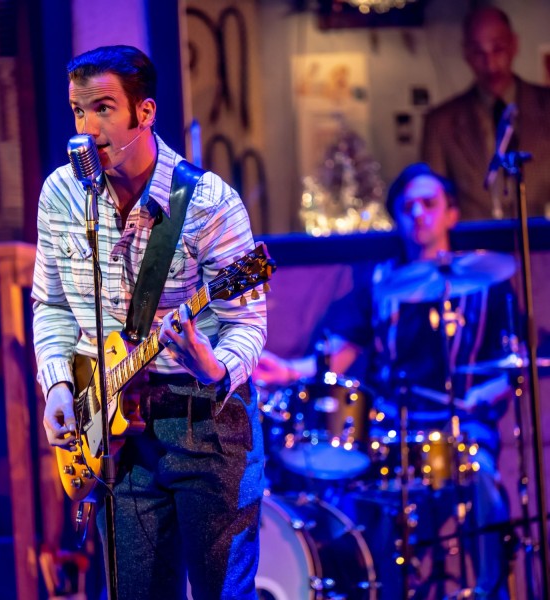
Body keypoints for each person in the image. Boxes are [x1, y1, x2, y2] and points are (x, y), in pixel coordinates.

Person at [31, 45, 267, 600]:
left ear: (146, 112)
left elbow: (247, 322)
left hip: (205, 422)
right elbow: (53, 305)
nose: (86, 128)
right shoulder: (61, 194)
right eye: (77, 111)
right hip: (116, 436)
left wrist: (213, 366)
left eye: (103, 108)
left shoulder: (209, 203)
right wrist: (58, 386)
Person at [255, 163, 515, 598]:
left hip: (463, 428)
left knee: (485, 488)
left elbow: (516, 363)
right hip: (394, 429)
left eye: (429, 204)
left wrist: (492, 389)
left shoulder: (488, 283)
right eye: (407, 206)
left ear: (451, 213)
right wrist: (285, 371)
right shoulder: (377, 283)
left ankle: (491, 591)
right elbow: (334, 360)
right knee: (361, 504)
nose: (418, 213)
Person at [421, 7, 550, 220]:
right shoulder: (441, 123)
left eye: (497, 49)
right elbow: (433, 199)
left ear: (514, 45)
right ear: (466, 53)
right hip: (474, 247)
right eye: (478, 52)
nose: (490, 64)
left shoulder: (546, 106)